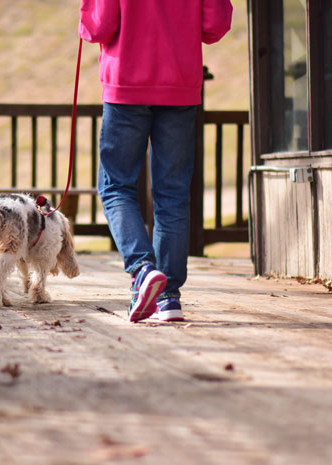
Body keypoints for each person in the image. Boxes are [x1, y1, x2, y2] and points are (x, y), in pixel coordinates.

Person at [79, 0, 233, 323]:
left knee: (115, 186)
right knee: (172, 194)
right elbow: (215, 25)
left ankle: (142, 269)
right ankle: (168, 298)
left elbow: (98, 26)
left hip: (126, 85)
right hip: (179, 84)